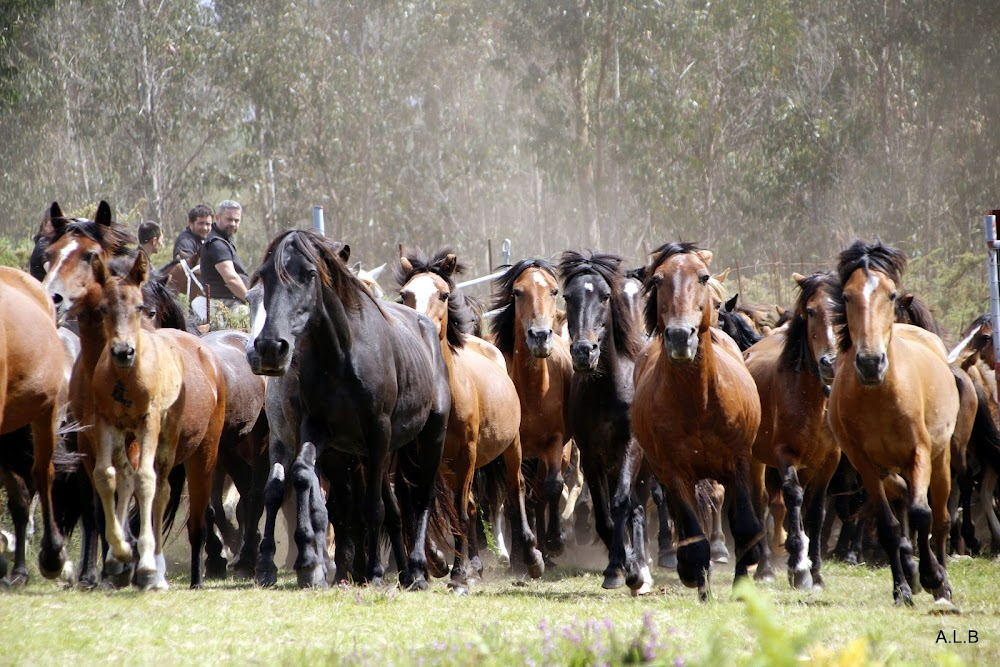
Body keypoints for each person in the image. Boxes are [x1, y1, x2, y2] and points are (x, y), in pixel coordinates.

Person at [199, 200, 250, 326]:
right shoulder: (217, 244)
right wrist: (250, 301)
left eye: (236, 220)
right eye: (229, 219)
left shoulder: (224, 240)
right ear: (218, 218)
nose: (233, 224)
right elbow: (231, 279)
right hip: (227, 305)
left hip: (231, 303)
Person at [29, 208, 55, 282]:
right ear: (45, 224)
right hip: (41, 291)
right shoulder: (43, 245)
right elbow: (53, 275)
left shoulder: (51, 243)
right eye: (53, 224)